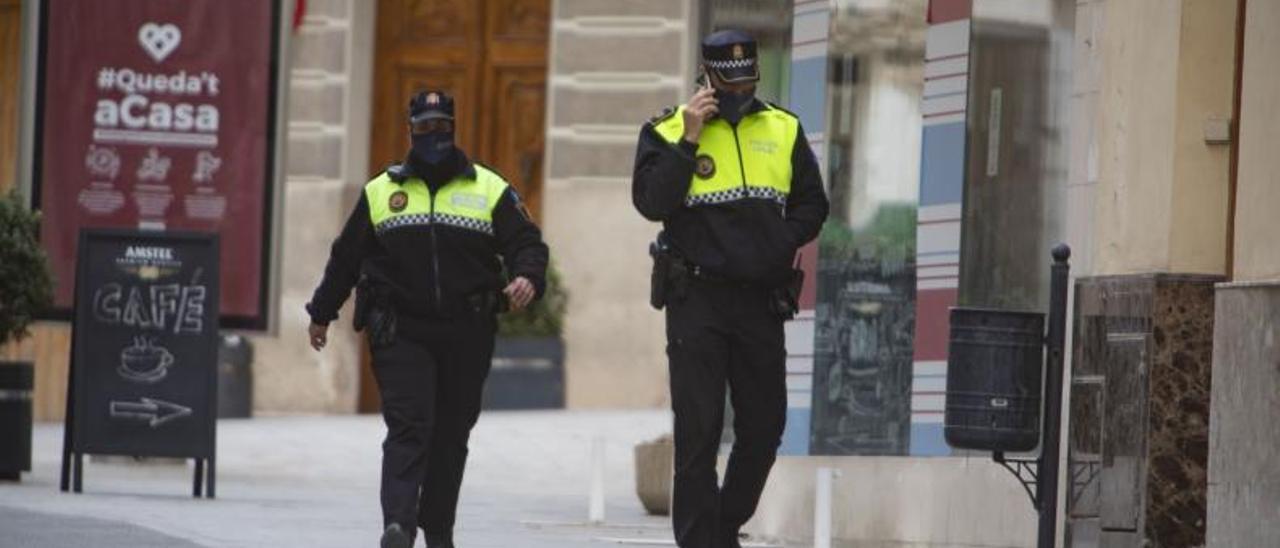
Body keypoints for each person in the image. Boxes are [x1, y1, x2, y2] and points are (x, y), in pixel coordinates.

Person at [305, 90, 549, 548]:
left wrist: (528, 277)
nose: (433, 136)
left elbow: (527, 244)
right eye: (424, 128)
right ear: (410, 131)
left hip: (467, 330)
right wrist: (322, 312)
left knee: (451, 435)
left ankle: (438, 531)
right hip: (401, 329)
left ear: (454, 128)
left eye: (441, 127)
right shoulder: (383, 191)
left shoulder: (489, 188)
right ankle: (398, 524)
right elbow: (346, 259)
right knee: (409, 424)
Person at [631, 29, 830, 548]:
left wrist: (777, 242)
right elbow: (652, 202)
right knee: (697, 432)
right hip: (696, 299)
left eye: (748, 81)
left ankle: (723, 526)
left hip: (760, 300)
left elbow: (813, 204)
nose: (740, 92)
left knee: (765, 426)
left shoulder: (784, 128)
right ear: (708, 77)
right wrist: (689, 140)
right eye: (729, 82)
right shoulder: (666, 129)